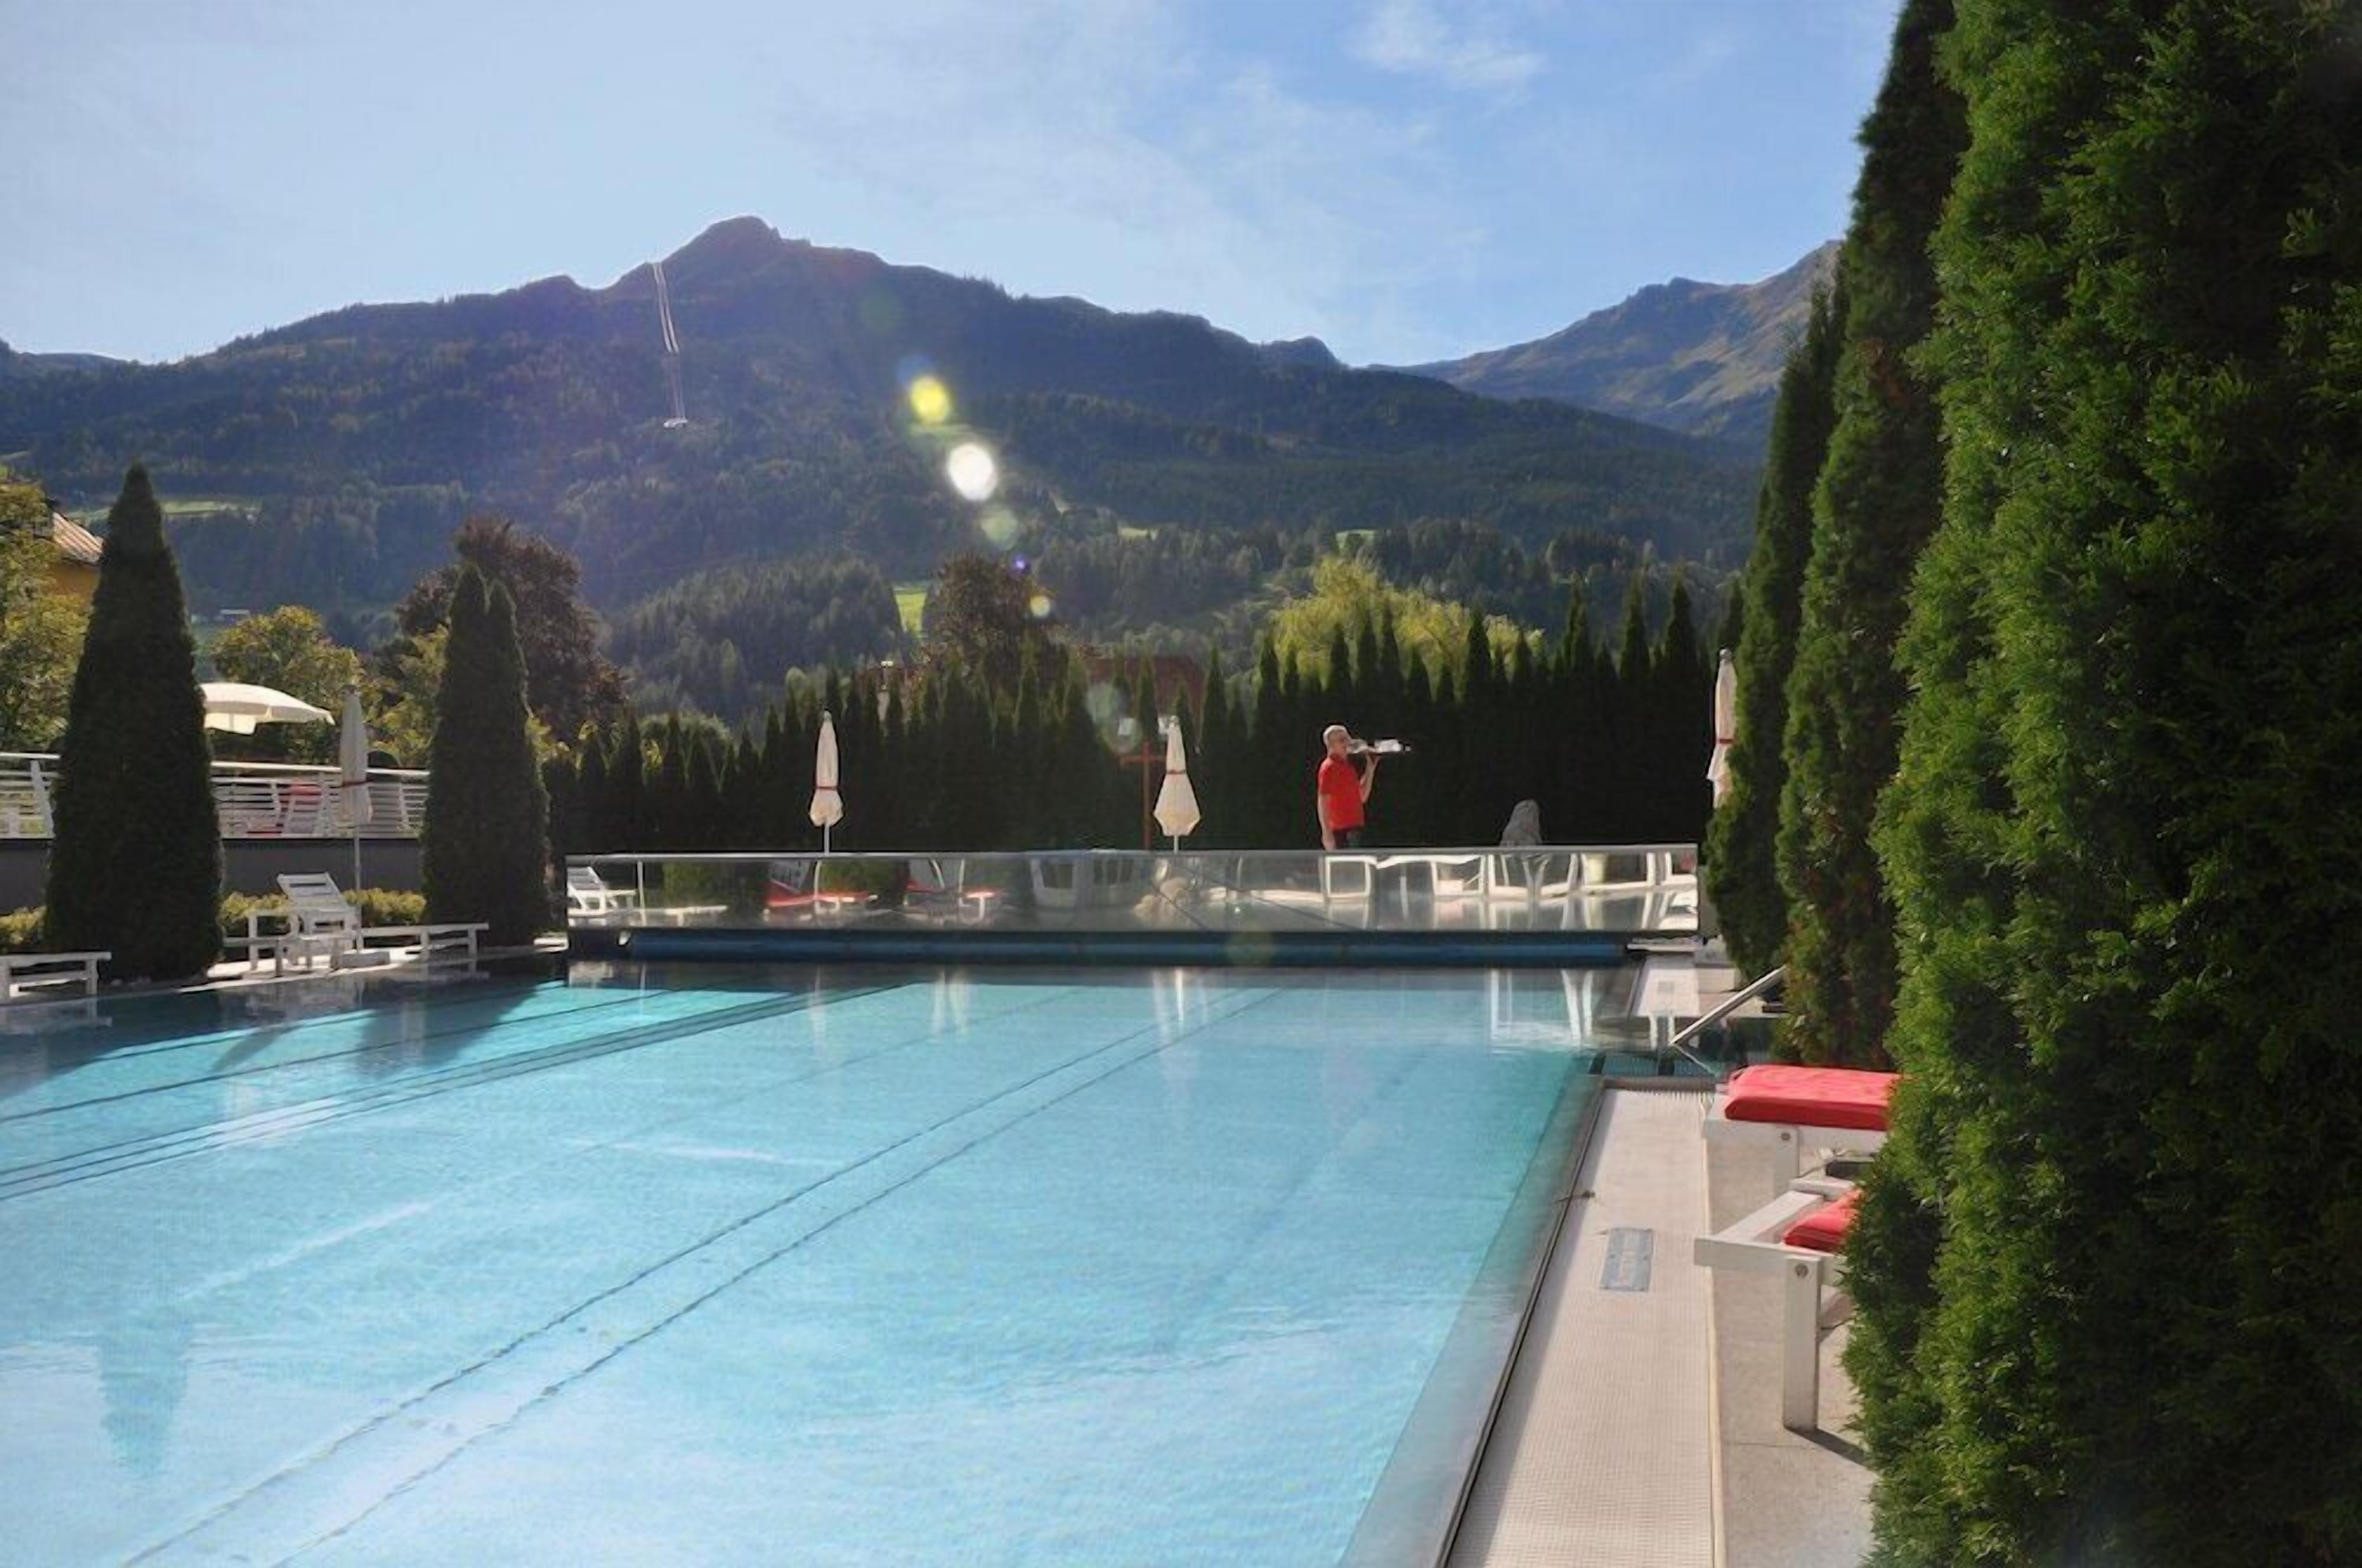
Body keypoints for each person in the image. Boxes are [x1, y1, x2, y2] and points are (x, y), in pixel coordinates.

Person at [1316, 723, 1378, 850]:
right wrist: (1327, 834)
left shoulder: (1348, 768)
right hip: (1341, 831)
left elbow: (1362, 797)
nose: (1348, 743)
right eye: (1342, 740)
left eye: (1348, 739)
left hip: (1355, 829)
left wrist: (1370, 769)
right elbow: (1323, 800)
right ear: (1331, 745)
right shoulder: (1330, 767)